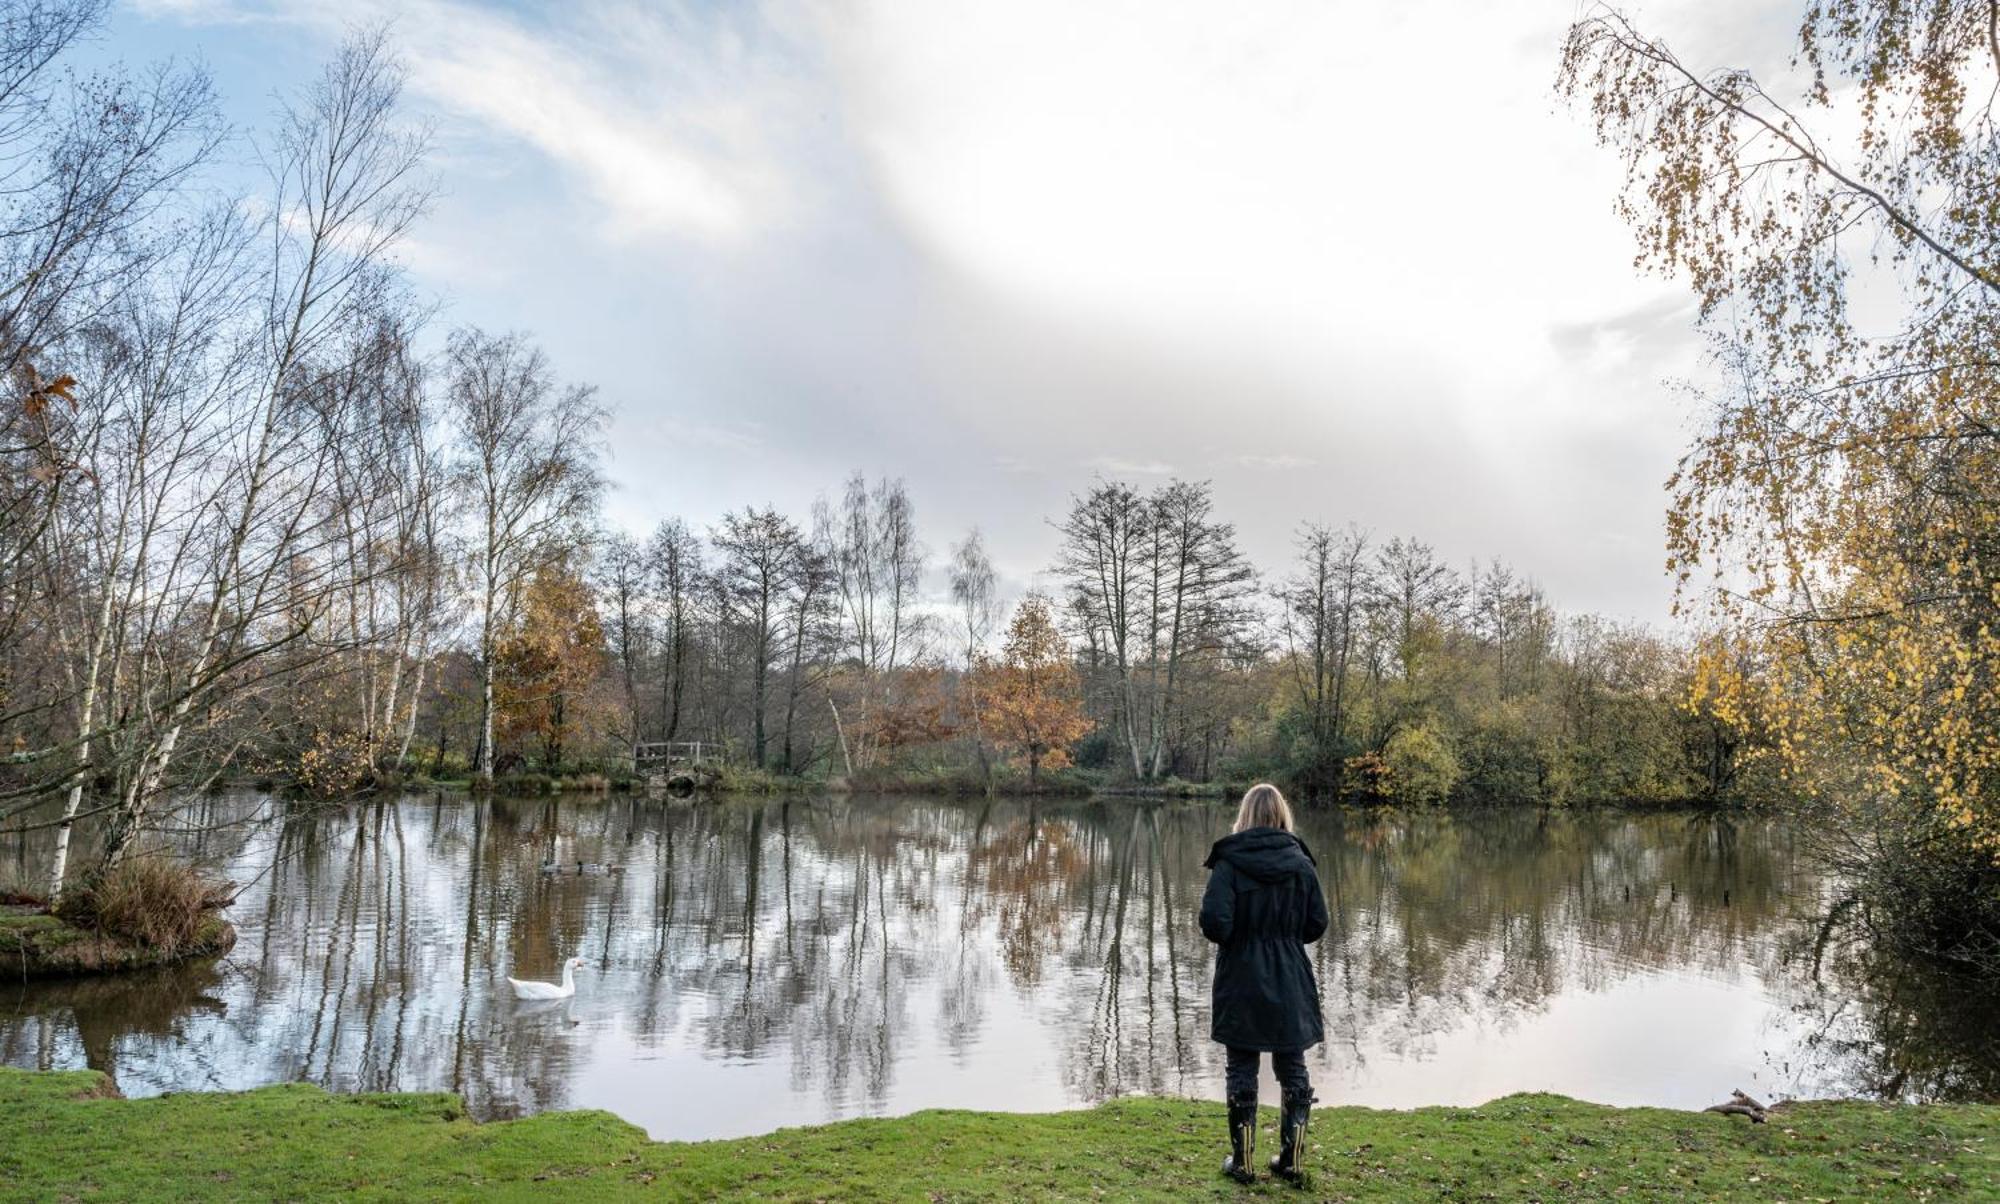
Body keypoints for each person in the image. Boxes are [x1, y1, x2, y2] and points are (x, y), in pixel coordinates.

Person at [1199, 782, 1328, 1184]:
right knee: (1293, 1066)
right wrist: (1284, 939)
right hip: (1290, 974)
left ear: (1245, 815)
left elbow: (1215, 924)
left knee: (1241, 1066)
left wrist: (1247, 935)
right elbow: (1317, 923)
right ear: (1282, 816)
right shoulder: (1301, 862)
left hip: (1242, 976)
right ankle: (1292, 1161)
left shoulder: (1230, 862)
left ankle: (1244, 1163)